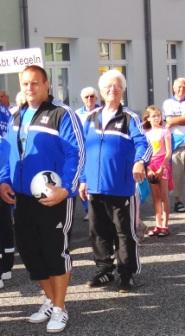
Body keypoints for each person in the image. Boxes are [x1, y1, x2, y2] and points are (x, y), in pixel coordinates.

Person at [0, 65, 84, 333]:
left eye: (35, 83)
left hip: (54, 197)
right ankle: (51, 300)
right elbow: (6, 150)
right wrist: (4, 179)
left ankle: (60, 308)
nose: (29, 88)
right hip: (23, 197)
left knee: (54, 252)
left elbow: (77, 153)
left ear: (47, 85)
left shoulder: (62, 114)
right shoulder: (16, 115)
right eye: (25, 83)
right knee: (31, 254)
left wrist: (67, 189)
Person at [79, 69, 151, 293]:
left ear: (122, 90)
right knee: (98, 230)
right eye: (108, 87)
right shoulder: (90, 118)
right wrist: (82, 179)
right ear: (101, 91)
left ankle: (126, 273)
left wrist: (139, 162)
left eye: (116, 86)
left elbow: (144, 144)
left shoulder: (129, 117)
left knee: (124, 232)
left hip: (120, 187)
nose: (112, 90)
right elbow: (82, 151)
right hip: (94, 187)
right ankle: (104, 270)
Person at [162, 78, 185, 214]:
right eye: (178, 87)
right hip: (175, 143)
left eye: (184, 87)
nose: (181, 89)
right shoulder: (168, 103)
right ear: (173, 88)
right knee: (176, 174)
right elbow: (169, 121)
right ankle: (178, 201)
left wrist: (177, 121)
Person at [143, 105, 173, 236]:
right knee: (156, 197)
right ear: (148, 118)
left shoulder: (165, 131)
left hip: (162, 164)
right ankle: (158, 224)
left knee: (164, 195)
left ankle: (165, 225)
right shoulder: (146, 133)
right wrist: (148, 167)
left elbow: (168, 152)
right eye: (153, 116)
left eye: (158, 115)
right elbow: (144, 152)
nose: (156, 118)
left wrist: (162, 167)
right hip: (151, 164)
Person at [75, 86, 100, 220]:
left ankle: (96, 208)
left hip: (95, 150)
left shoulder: (101, 112)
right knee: (82, 179)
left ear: (96, 98)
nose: (89, 99)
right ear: (82, 99)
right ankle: (87, 209)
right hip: (81, 150)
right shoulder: (77, 113)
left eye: (92, 96)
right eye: (87, 97)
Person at [0, 93, 13, 290]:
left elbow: (6, 147)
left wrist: (3, 178)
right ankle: (6, 267)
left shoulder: (6, 114)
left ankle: (5, 267)